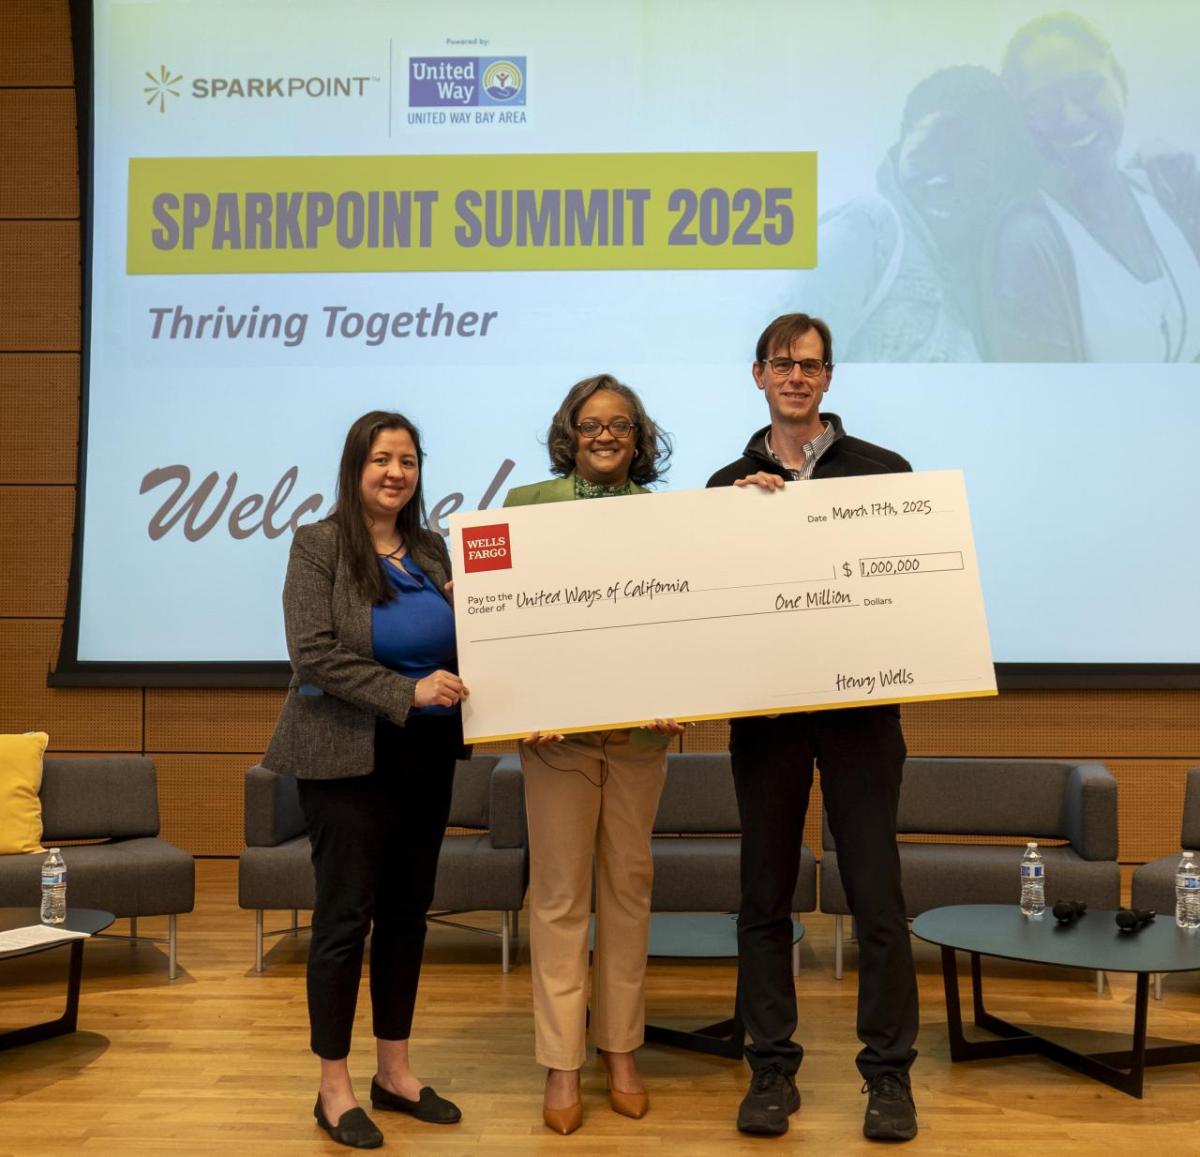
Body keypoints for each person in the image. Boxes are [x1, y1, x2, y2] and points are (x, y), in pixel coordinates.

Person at [707, 314, 919, 1142]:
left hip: (863, 715)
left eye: (811, 364)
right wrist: (738, 522)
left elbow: (907, 597)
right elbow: (711, 605)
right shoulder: (728, 484)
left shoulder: (886, 473)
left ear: (829, 379)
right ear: (756, 374)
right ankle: (770, 1067)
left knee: (877, 893)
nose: (795, 376)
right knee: (762, 892)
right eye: (780, 363)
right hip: (767, 718)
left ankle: (889, 1076)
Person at [263, 410, 469, 1149]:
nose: (396, 472)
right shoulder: (318, 545)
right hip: (347, 755)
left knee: (409, 916)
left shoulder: (435, 548)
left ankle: (395, 1071)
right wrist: (403, 692)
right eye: (382, 458)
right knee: (345, 919)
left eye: (408, 461)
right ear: (356, 468)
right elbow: (312, 652)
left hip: (428, 755)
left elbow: (473, 635)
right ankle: (333, 1086)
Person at [503, 374, 682, 1135]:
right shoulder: (522, 509)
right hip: (557, 739)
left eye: (620, 425)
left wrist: (687, 687)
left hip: (641, 736)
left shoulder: (671, 519)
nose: (604, 435)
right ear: (568, 433)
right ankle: (561, 1060)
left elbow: (686, 617)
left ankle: (622, 1048)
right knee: (558, 897)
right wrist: (517, 698)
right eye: (590, 424)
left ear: (639, 438)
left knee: (628, 893)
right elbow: (506, 624)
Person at [989, 12, 1200, 360]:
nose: (1071, 117)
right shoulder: (1031, 240)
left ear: (1121, 81)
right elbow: (1045, 403)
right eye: (1042, 105)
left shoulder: (1165, 190)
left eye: (1086, 88)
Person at [806, 66, 1036, 362]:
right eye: (927, 153)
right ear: (903, 145)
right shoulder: (864, 233)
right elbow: (777, 375)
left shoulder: (991, 273)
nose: (944, 176)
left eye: (971, 158)